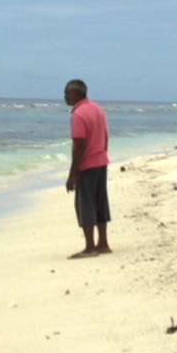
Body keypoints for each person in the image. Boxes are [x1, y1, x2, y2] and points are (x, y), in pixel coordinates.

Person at [64, 78, 111, 258]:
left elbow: (79, 146)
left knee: (86, 205)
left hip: (87, 165)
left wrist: (72, 174)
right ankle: (103, 243)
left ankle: (90, 247)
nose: (65, 96)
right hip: (101, 161)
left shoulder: (78, 114)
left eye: (67, 93)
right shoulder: (97, 109)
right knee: (100, 202)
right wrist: (102, 153)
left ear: (76, 93)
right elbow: (105, 136)